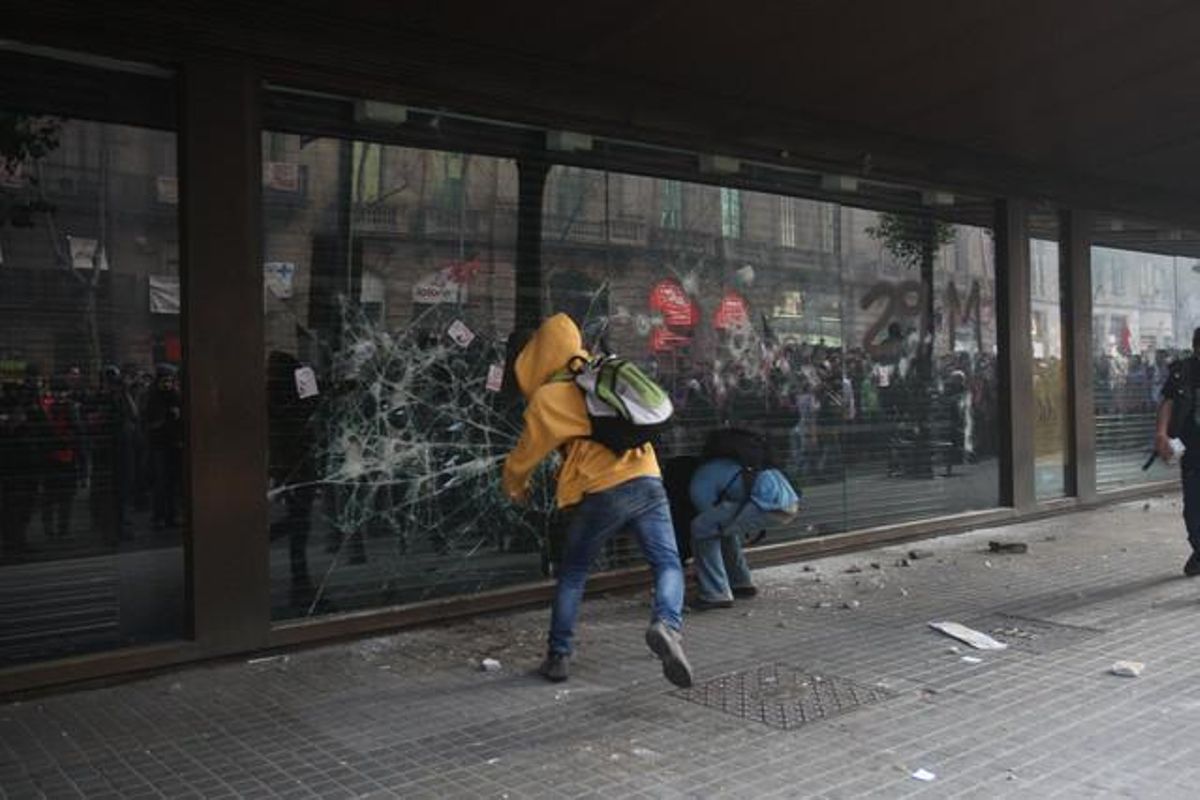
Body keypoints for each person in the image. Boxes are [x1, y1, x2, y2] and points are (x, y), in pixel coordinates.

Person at [501, 313, 693, 687]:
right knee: (668, 562)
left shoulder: (548, 397)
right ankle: (667, 625)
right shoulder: (603, 369)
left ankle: (559, 656)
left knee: (573, 574)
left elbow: (524, 456)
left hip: (601, 490)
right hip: (647, 477)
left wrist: (515, 488)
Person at [688, 457, 800, 609]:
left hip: (767, 502)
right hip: (788, 501)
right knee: (721, 527)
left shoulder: (700, 480)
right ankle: (740, 583)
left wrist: (699, 562)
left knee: (702, 527)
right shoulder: (729, 463)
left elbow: (706, 514)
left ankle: (715, 593)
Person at [1155, 327, 1200, 576]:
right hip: (1193, 452)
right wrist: (1161, 434)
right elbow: (1168, 402)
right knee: (1192, 512)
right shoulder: (1184, 371)